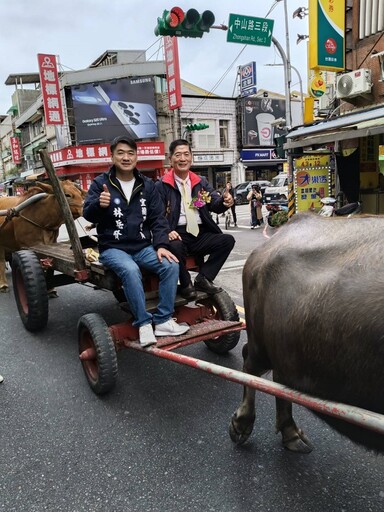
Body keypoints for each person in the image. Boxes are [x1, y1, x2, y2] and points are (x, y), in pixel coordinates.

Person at [83, 136, 189, 348]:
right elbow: (88, 214)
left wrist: (160, 246)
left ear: (137, 157)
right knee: (131, 271)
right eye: (120, 153)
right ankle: (142, 323)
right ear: (112, 156)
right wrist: (99, 205)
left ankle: (163, 320)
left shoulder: (147, 185)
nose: (126, 157)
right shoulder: (100, 183)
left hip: (142, 247)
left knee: (171, 264)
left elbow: (158, 219)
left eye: (130, 153)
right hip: (113, 248)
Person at [155, 139, 235, 301]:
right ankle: (186, 285)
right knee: (174, 246)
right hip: (177, 233)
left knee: (227, 240)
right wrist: (167, 231)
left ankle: (203, 278)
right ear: (170, 159)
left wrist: (224, 202)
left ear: (191, 157)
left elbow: (213, 202)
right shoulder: (161, 185)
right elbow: (155, 215)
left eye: (186, 154)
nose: (182, 158)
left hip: (200, 232)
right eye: (178, 155)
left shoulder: (200, 182)